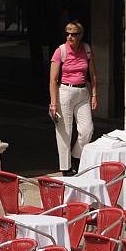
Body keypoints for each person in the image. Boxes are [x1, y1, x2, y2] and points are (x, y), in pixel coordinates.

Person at [49, 21, 98, 176]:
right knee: (65, 131)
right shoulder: (61, 51)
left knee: (87, 130)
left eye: (74, 34)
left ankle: (76, 156)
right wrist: (53, 103)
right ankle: (65, 167)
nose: (70, 37)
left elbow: (93, 74)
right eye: (68, 33)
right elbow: (53, 79)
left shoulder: (87, 50)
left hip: (82, 92)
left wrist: (95, 95)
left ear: (81, 36)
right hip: (65, 91)